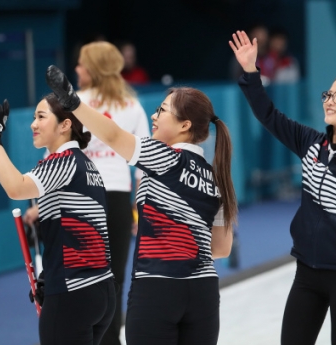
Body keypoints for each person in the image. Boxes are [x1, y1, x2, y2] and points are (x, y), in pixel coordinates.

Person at [45, 64, 238, 345]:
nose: (153, 115)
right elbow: (221, 248)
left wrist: (73, 103)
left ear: (185, 126)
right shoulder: (216, 177)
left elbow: (112, 136)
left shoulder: (163, 157)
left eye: (161, 111)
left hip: (157, 288)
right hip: (204, 293)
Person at [229, 30, 336, 345]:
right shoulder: (311, 142)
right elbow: (268, 115)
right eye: (328, 94)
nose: (330, 101)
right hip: (307, 273)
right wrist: (250, 72)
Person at [25, 40, 151, 345]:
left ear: (93, 68)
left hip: (76, 198)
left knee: (72, 279)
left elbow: (53, 154)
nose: (77, 69)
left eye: (81, 63)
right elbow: (144, 163)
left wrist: (39, 205)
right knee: (112, 280)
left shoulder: (73, 101)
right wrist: (141, 210)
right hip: (118, 199)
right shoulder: (132, 105)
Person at [0, 95, 116, 345]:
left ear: (65, 125)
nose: (33, 124)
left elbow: (16, 188)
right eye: (34, 117)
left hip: (74, 292)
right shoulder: (87, 166)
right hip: (100, 289)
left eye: (41, 117)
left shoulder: (63, 161)